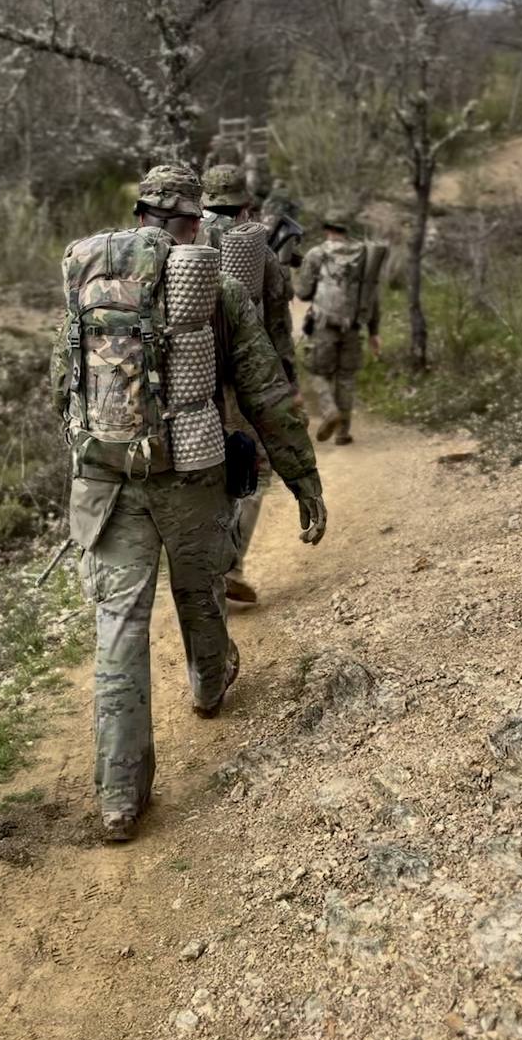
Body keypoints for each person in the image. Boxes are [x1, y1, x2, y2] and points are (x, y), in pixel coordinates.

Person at [51, 162, 326, 843]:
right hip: (188, 475)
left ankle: (120, 796)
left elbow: (65, 383)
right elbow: (264, 392)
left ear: (139, 212)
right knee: (199, 589)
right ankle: (208, 684)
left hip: (105, 478)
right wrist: (303, 481)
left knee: (118, 630)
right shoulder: (215, 285)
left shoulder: (86, 278)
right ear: (192, 221)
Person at [197, 163, 298, 604]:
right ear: (248, 205)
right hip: (243, 383)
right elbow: (277, 320)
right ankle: (230, 563)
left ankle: (198, 566)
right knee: (252, 469)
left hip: (190, 382)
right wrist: (285, 380)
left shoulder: (179, 242)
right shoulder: (259, 253)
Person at [297, 211, 385, 447]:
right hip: (354, 327)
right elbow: (372, 296)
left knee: (317, 372)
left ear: (328, 229)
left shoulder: (317, 254)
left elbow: (303, 292)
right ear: (347, 231)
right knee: (345, 378)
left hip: (323, 325)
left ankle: (329, 411)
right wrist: (374, 332)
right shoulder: (365, 256)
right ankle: (343, 433)